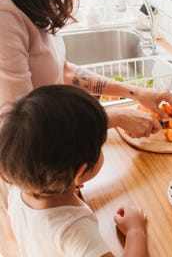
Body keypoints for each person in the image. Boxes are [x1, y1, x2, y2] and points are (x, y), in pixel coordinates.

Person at [0, 0, 172, 255]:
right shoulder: (3, 15)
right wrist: (115, 120)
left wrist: (135, 93)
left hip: (46, 186)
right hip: (38, 171)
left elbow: (60, 70)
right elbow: (24, 130)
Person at [0, 84, 148, 257]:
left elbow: (13, 232)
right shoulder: (76, 230)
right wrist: (135, 231)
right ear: (80, 173)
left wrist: (66, 189)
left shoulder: (18, 190)